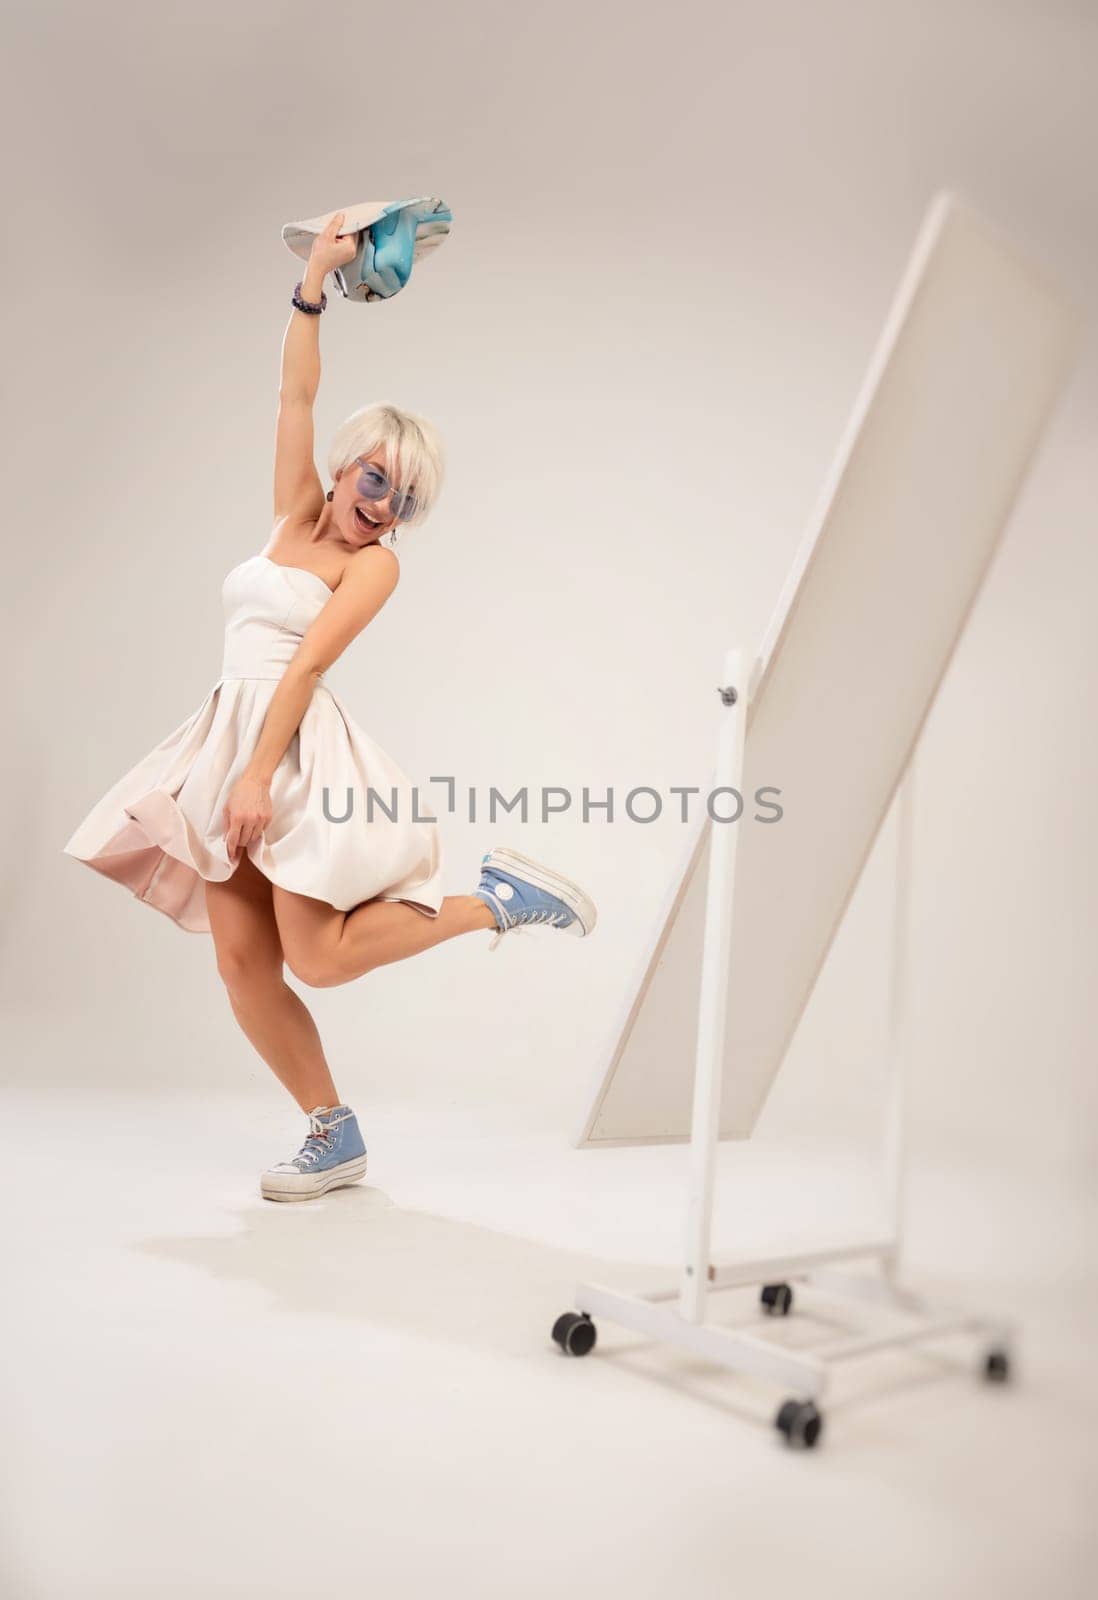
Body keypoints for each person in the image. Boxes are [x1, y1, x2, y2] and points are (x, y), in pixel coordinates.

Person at [62, 212, 597, 1202]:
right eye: (376, 477)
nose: (383, 501)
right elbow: (293, 389)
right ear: (350, 465)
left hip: (291, 753)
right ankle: (331, 1132)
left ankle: (497, 900)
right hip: (230, 737)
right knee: (241, 963)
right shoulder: (288, 512)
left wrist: (259, 774)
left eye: (404, 497)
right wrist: (316, 276)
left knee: (319, 957)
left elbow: (305, 667)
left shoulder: (374, 567)